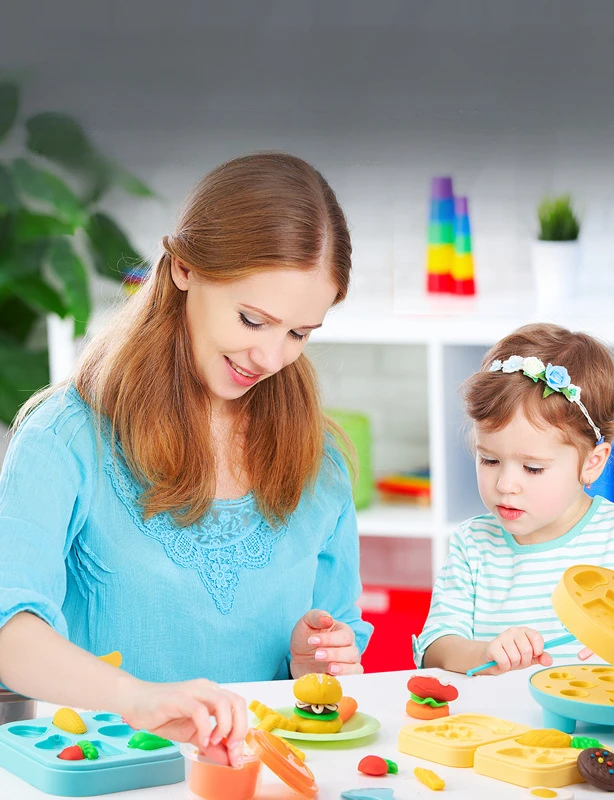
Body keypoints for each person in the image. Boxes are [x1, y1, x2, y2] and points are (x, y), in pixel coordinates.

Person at [0, 153, 372, 767]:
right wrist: (134, 699)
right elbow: (10, 632)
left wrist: (313, 664)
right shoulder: (67, 439)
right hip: (114, 777)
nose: (272, 357)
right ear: (182, 270)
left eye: (300, 333)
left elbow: (336, 644)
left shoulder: (319, 457)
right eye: (253, 319)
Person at [413, 322, 614, 675]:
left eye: (532, 468)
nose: (505, 484)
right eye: (489, 460)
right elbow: (436, 647)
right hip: (495, 724)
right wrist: (486, 652)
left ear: (592, 463)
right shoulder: (473, 545)